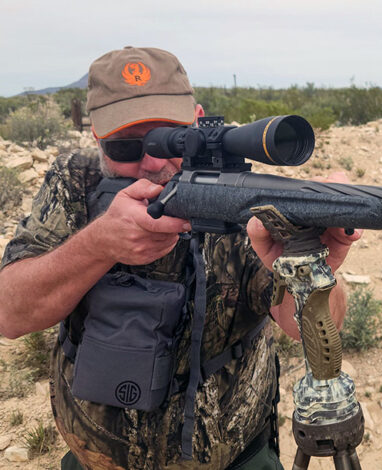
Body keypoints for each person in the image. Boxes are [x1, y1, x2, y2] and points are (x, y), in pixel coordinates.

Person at [0, 46, 361, 469]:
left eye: (173, 137)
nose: (153, 161)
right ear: (96, 137)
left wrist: (316, 264)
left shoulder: (237, 194)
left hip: (236, 456)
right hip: (97, 458)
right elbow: (10, 313)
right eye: (126, 145)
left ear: (198, 120)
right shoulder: (74, 181)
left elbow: (310, 328)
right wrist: (97, 244)